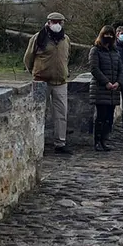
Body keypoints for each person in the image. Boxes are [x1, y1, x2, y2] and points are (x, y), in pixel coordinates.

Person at [24, 12, 72, 155]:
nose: (56, 24)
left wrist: (64, 71)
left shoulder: (66, 39)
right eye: (53, 21)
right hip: (41, 81)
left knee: (61, 114)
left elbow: (66, 57)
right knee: (39, 113)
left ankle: (60, 143)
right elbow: (28, 58)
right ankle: (38, 143)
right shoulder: (38, 38)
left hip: (60, 82)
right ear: (48, 22)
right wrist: (35, 72)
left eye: (59, 21)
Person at [88, 25, 123, 152]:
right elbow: (94, 69)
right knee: (101, 117)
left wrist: (118, 82)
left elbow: (121, 69)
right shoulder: (95, 50)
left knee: (109, 117)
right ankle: (97, 141)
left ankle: (104, 140)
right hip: (101, 89)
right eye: (106, 34)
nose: (108, 37)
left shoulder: (115, 52)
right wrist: (106, 82)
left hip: (113, 90)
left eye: (111, 35)